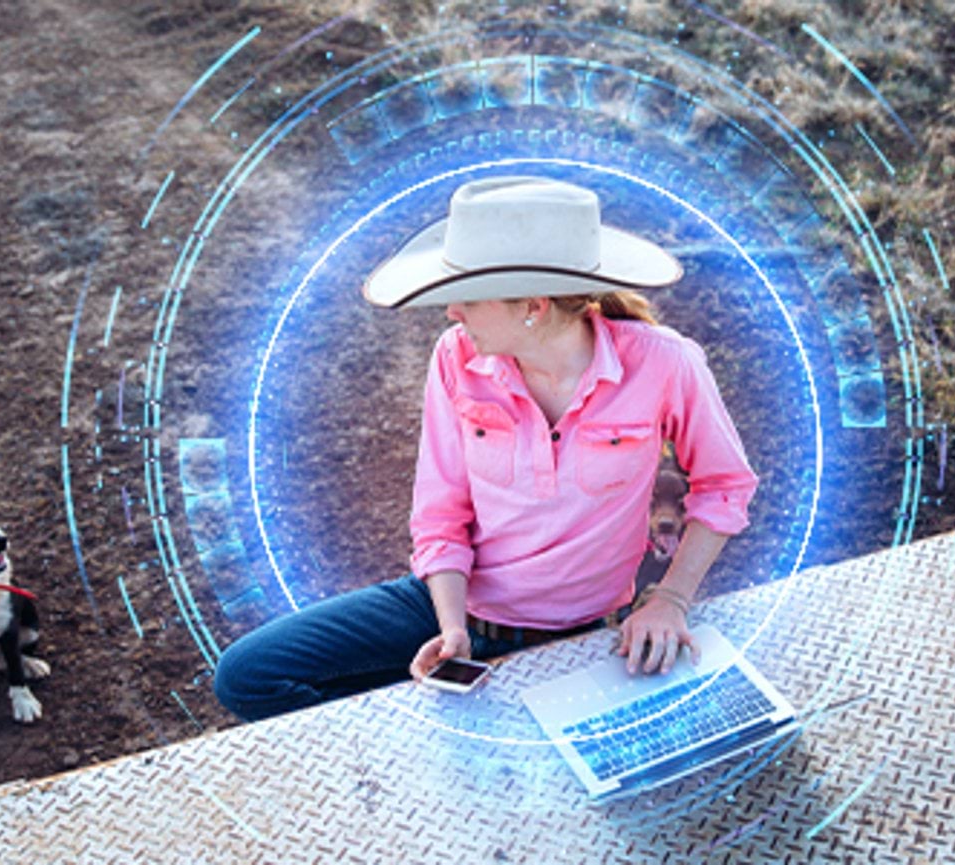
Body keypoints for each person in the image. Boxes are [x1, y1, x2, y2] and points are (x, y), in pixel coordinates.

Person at [213, 176, 758, 723]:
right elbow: (440, 512)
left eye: (468, 298)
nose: (452, 313)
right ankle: (407, 753)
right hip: (461, 611)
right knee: (249, 676)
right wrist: (452, 630)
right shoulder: (455, 358)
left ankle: (433, 745)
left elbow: (725, 485)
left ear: (533, 307)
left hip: (585, 635)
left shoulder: (665, 364)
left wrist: (670, 599)